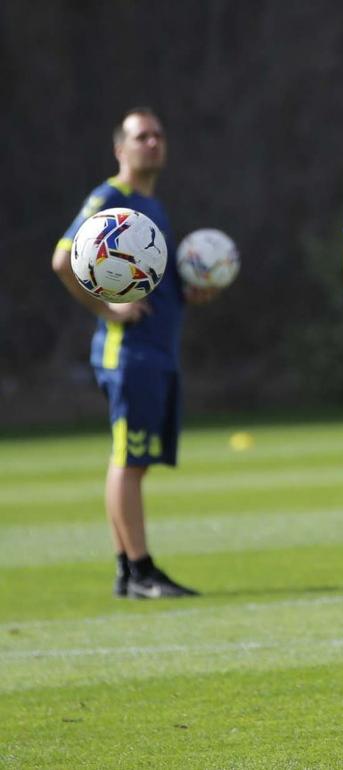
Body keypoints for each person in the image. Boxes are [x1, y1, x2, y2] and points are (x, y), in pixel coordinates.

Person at [50, 108, 215, 599]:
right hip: (129, 352)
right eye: (142, 136)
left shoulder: (151, 205)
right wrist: (107, 310)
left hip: (156, 350)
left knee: (133, 461)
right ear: (120, 149)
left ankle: (129, 571)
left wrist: (189, 291)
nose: (154, 142)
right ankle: (140, 570)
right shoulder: (110, 198)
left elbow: (145, 280)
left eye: (159, 135)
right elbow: (63, 260)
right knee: (129, 459)